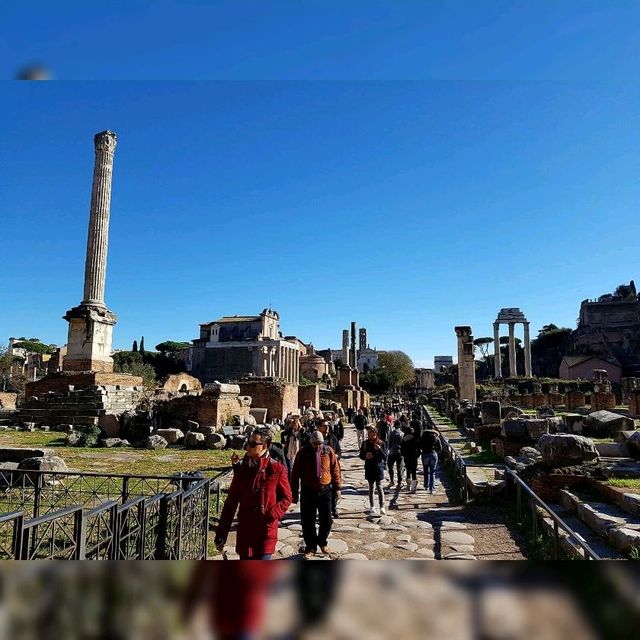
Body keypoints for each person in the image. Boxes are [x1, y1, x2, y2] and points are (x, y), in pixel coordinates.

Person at [215, 427, 292, 560]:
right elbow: (231, 502)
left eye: (252, 444)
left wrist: (271, 514)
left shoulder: (277, 469)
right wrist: (221, 533)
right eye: (247, 443)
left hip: (265, 531)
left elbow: (287, 497)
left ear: (265, 446)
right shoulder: (243, 470)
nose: (248, 447)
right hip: (246, 529)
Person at [290, 430, 342, 558]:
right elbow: (295, 474)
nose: (318, 446)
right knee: (308, 521)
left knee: (327, 520)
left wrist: (337, 488)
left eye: (320, 443)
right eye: (315, 443)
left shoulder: (328, 451)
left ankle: (322, 541)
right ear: (310, 442)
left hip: (325, 490)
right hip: (308, 490)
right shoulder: (302, 453)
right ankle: (311, 546)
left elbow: (335, 469)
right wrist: (294, 493)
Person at [359, 426, 388, 516]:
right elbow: (361, 455)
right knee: (371, 488)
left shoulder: (381, 443)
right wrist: (365, 456)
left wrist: (379, 449)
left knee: (379, 487)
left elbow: (385, 457)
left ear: (376, 433)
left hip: (378, 467)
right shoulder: (365, 443)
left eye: (372, 432)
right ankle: (372, 506)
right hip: (369, 467)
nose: (370, 434)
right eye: (369, 433)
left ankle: (382, 506)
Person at [317, 420, 342, 518]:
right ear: (319, 427)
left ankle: (334, 508)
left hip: (332, 467)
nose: (327, 428)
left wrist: (336, 455)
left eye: (328, 426)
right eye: (324, 426)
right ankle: (322, 510)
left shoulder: (333, 438)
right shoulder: (316, 438)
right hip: (321, 468)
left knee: (334, 488)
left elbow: (339, 452)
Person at [419, 425, 442, 494]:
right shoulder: (436, 436)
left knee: (426, 470)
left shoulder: (423, 436)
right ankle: (432, 489)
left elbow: (420, 445)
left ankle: (426, 485)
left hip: (425, 454)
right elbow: (440, 447)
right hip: (433, 454)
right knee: (433, 472)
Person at [401, 425, 420, 494]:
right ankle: (414, 487)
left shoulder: (404, 439)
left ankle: (408, 485)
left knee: (408, 470)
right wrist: (416, 456)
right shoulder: (416, 439)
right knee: (414, 471)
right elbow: (419, 450)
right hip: (414, 457)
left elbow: (402, 450)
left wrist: (404, 455)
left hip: (407, 457)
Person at [387, 421, 404, 488]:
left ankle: (392, 481)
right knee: (399, 468)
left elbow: (389, 443)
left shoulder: (391, 433)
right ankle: (399, 482)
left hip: (392, 452)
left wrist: (390, 449)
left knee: (390, 467)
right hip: (400, 452)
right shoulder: (402, 434)